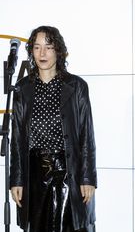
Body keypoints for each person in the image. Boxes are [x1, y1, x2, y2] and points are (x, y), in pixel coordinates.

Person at [10, 26, 97, 232]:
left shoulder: (76, 86)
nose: (42, 54)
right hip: (35, 175)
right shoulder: (22, 88)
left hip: (69, 172)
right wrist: (17, 179)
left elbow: (87, 135)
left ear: (58, 51)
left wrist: (87, 178)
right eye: (37, 47)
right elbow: (17, 139)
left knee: (70, 227)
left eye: (48, 47)